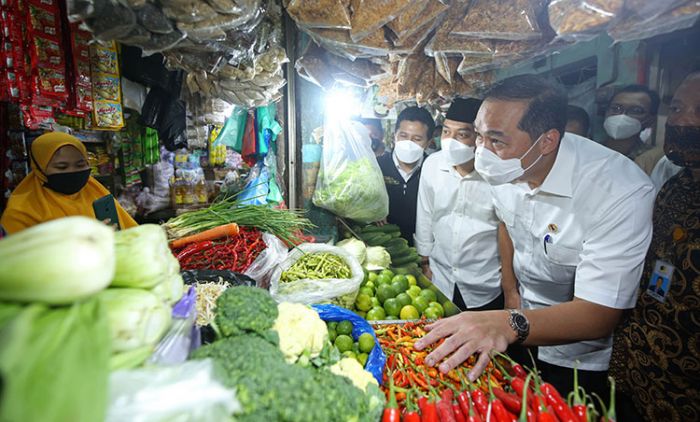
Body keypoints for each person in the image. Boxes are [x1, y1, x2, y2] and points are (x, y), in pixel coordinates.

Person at [413, 75, 655, 403]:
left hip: (575, 352)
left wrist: (511, 322)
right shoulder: (506, 167)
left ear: (547, 141)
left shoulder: (618, 191)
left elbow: (599, 312)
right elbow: (506, 225)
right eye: (479, 137)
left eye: (496, 141)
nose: (481, 153)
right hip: (516, 321)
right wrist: (511, 294)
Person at [609, 71, 700, 422]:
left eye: (697, 110)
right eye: (677, 107)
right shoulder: (675, 187)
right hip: (642, 366)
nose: (682, 119)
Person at [415, 98, 509, 312]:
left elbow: (508, 230)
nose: (450, 140)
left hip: (484, 284)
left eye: (462, 134)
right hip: (440, 277)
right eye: (446, 132)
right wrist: (424, 263)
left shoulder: (497, 174)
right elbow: (426, 215)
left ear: (479, 137)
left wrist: (509, 284)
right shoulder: (432, 165)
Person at [1, 132, 138, 233]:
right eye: (62, 167)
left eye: (80, 165)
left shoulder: (96, 192)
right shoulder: (21, 212)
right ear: (39, 168)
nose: (72, 171)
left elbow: (128, 233)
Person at [377, 106, 435, 246]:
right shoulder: (377, 167)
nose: (408, 143)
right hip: (381, 244)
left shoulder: (435, 171)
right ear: (394, 135)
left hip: (423, 251)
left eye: (417, 139)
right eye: (403, 136)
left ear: (428, 142)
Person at [602, 84, 664, 174]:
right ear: (606, 112)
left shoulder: (651, 162)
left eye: (636, 110)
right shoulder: (588, 151)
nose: (622, 115)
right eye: (616, 108)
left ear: (650, 121)